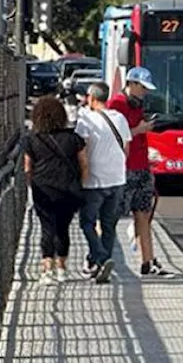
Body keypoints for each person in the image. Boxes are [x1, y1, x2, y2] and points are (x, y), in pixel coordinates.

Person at [108, 66, 170, 277]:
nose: (144, 92)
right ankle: (102, 257)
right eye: (142, 87)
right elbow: (114, 136)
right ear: (131, 83)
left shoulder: (138, 105)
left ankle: (148, 260)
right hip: (124, 169)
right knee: (112, 216)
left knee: (144, 214)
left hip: (142, 166)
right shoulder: (117, 105)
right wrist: (139, 130)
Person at [24, 95, 89, 285]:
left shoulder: (32, 140)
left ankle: (47, 270)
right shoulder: (74, 138)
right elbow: (84, 164)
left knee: (46, 228)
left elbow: (28, 167)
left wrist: (31, 185)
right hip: (69, 189)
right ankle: (62, 268)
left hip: (43, 189)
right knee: (63, 228)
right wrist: (82, 185)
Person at [75, 81, 131, 284]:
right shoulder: (120, 119)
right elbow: (126, 149)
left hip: (94, 180)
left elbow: (81, 150)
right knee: (109, 225)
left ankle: (101, 257)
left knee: (87, 222)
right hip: (117, 178)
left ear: (90, 98)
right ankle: (101, 265)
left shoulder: (86, 120)